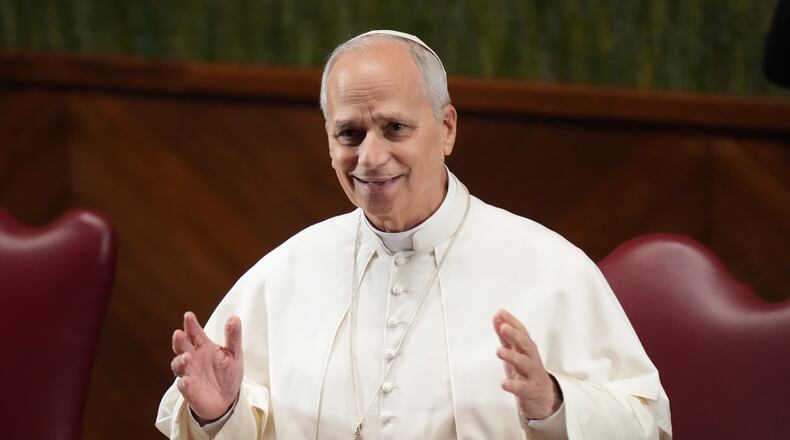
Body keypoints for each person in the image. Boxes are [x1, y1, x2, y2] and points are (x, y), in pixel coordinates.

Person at [156, 30, 672, 439]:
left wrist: (554, 407)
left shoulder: (552, 269)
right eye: (349, 134)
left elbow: (644, 424)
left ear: (446, 128)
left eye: (395, 128)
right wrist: (221, 414)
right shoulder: (285, 273)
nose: (370, 157)